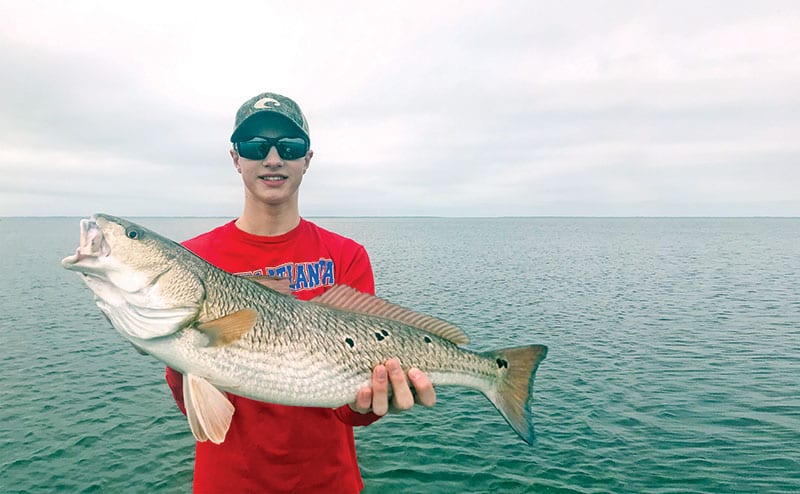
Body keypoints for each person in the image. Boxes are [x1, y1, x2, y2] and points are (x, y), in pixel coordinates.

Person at [165, 92, 436, 493]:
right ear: (235, 158)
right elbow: (192, 399)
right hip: (226, 483)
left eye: (289, 146)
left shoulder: (347, 256)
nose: (272, 158)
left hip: (329, 482)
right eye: (255, 146)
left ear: (307, 160)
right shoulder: (193, 258)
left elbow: (353, 410)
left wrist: (375, 403)